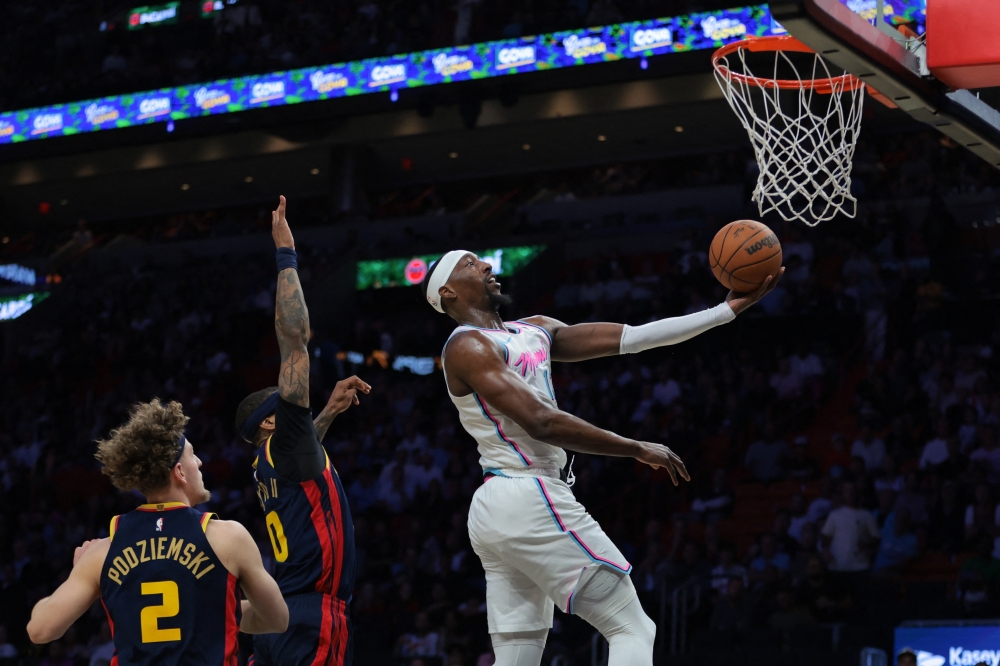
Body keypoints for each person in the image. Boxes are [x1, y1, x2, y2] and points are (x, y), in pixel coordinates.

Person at [421, 248, 782, 666]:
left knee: (518, 656)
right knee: (632, 627)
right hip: (525, 492)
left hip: (502, 506)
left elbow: (635, 337)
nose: (486, 265)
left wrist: (723, 312)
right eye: (470, 263)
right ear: (447, 293)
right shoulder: (467, 345)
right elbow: (541, 422)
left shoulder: (533, 330)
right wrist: (635, 447)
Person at [26, 399, 288, 664]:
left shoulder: (103, 552)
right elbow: (278, 619)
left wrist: (80, 570)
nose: (199, 462)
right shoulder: (228, 537)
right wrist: (215, 608)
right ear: (179, 472)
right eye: (192, 455)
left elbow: (39, 630)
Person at [235, 197, 371, 666]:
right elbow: (294, 341)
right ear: (270, 422)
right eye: (285, 403)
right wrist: (286, 254)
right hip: (313, 615)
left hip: (278, 617)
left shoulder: (267, 463)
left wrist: (328, 412)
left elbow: (304, 461)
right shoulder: (282, 445)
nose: (295, 399)